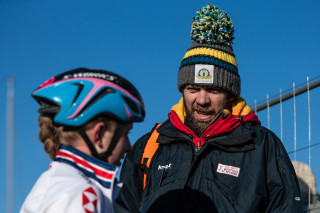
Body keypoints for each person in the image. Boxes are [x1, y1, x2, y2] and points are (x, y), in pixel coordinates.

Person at [114, 4, 303, 213]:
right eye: (193, 89)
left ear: (231, 94)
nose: (202, 100)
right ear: (182, 90)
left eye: (213, 90)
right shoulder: (151, 146)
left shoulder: (262, 146)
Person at [20, 67, 145, 213]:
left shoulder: (67, 185)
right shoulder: (78, 193)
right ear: (99, 134)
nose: (129, 146)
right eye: (125, 134)